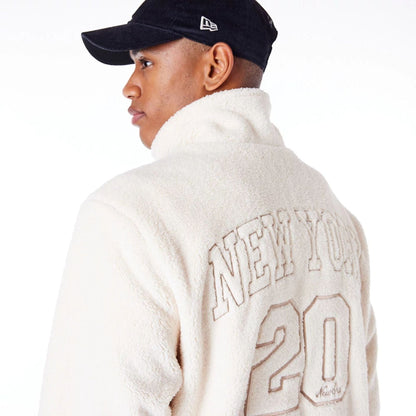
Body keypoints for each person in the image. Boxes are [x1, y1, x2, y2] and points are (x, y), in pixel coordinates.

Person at [37, 0, 379, 415]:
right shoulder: (334, 214)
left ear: (215, 66)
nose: (129, 86)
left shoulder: (129, 214)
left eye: (146, 62)